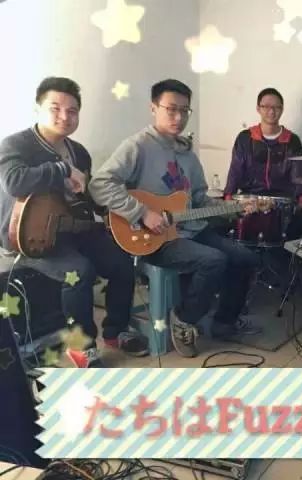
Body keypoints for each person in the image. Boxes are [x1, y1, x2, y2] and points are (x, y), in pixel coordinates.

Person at [89, 79, 260, 359]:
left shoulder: (188, 154)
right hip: (155, 237)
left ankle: (224, 322)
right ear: (153, 108)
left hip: (190, 228)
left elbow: (200, 199)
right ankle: (184, 318)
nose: (178, 117)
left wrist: (233, 208)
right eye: (171, 109)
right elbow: (99, 184)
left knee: (245, 258)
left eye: (184, 111)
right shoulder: (137, 146)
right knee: (213, 260)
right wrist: (142, 212)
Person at [0, 77, 148, 368]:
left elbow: (84, 198)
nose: (64, 117)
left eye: (72, 111)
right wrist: (62, 169)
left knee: (122, 262)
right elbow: (14, 181)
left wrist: (116, 213)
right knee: (79, 272)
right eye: (55, 108)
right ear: (38, 109)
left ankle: (116, 331)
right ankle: (82, 346)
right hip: (31, 238)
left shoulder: (79, 151)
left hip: (72, 230)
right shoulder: (16, 145)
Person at [224, 88, 302, 239]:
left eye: (277, 107)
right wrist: (228, 196)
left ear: (282, 109)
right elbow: (235, 170)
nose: (271, 111)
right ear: (258, 109)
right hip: (250, 199)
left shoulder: (292, 140)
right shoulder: (245, 138)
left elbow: (299, 174)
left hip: (280, 201)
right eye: (266, 107)